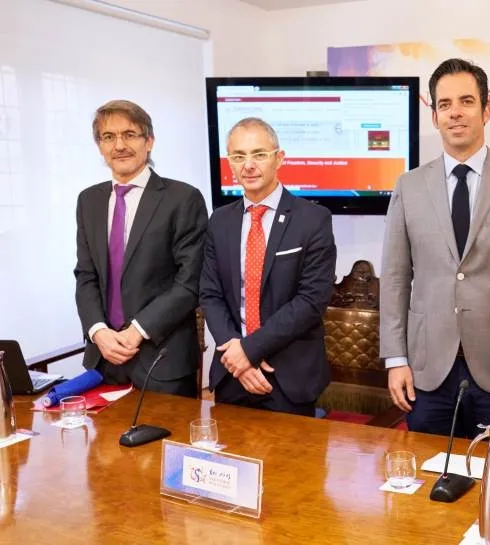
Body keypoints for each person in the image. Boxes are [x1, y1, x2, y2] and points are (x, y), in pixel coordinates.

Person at [380, 58, 490, 438]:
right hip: (426, 370)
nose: (455, 113)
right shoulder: (408, 187)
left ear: (486, 110)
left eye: (466, 101)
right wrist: (395, 358)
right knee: (426, 470)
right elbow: (395, 279)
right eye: (444, 104)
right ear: (434, 117)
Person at [200, 117, 336, 416]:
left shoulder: (313, 219)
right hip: (232, 372)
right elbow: (210, 294)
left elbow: (311, 301)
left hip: (288, 375)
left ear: (279, 158)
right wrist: (236, 353)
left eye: (259, 154)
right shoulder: (219, 221)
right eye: (238, 156)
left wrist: (250, 350)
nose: (248, 165)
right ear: (229, 163)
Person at [74, 100, 207, 397]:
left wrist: (137, 331)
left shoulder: (183, 198)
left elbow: (190, 281)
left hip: (162, 361)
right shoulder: (88, 201)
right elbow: (86, 275)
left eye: (129, 134)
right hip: (104, 360)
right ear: (100, 146)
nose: (119, 145)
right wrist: (98, 331)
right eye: (109, 137)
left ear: (149, 141)